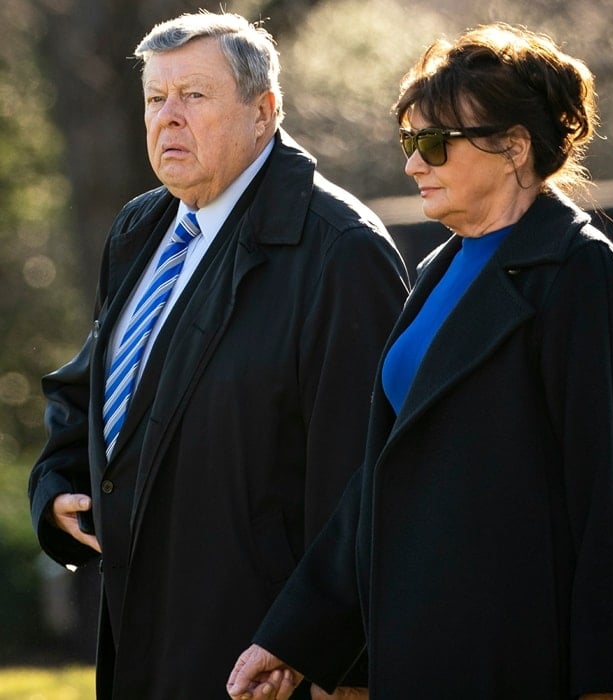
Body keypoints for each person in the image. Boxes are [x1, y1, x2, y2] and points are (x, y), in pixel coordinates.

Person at [226, 22, 613, 700]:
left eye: (432, 143)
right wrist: (295, 636)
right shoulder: (437, 268)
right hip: (419, 652)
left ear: (514, 148)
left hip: (523, 660)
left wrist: (608, 686)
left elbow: (610, 505)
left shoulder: (583, 274)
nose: (411, 164)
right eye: (408, 142)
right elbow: (381, 479)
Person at [28, 11, 409, 699]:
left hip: (264, 664)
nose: (167, 118)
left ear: (264, 113)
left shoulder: (341, 251)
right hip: (142, 643)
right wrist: (54, 486)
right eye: (154, 99)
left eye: (194, 97)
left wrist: (311, 646)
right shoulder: (140, 226)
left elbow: (364, 484)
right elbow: (93, 390)